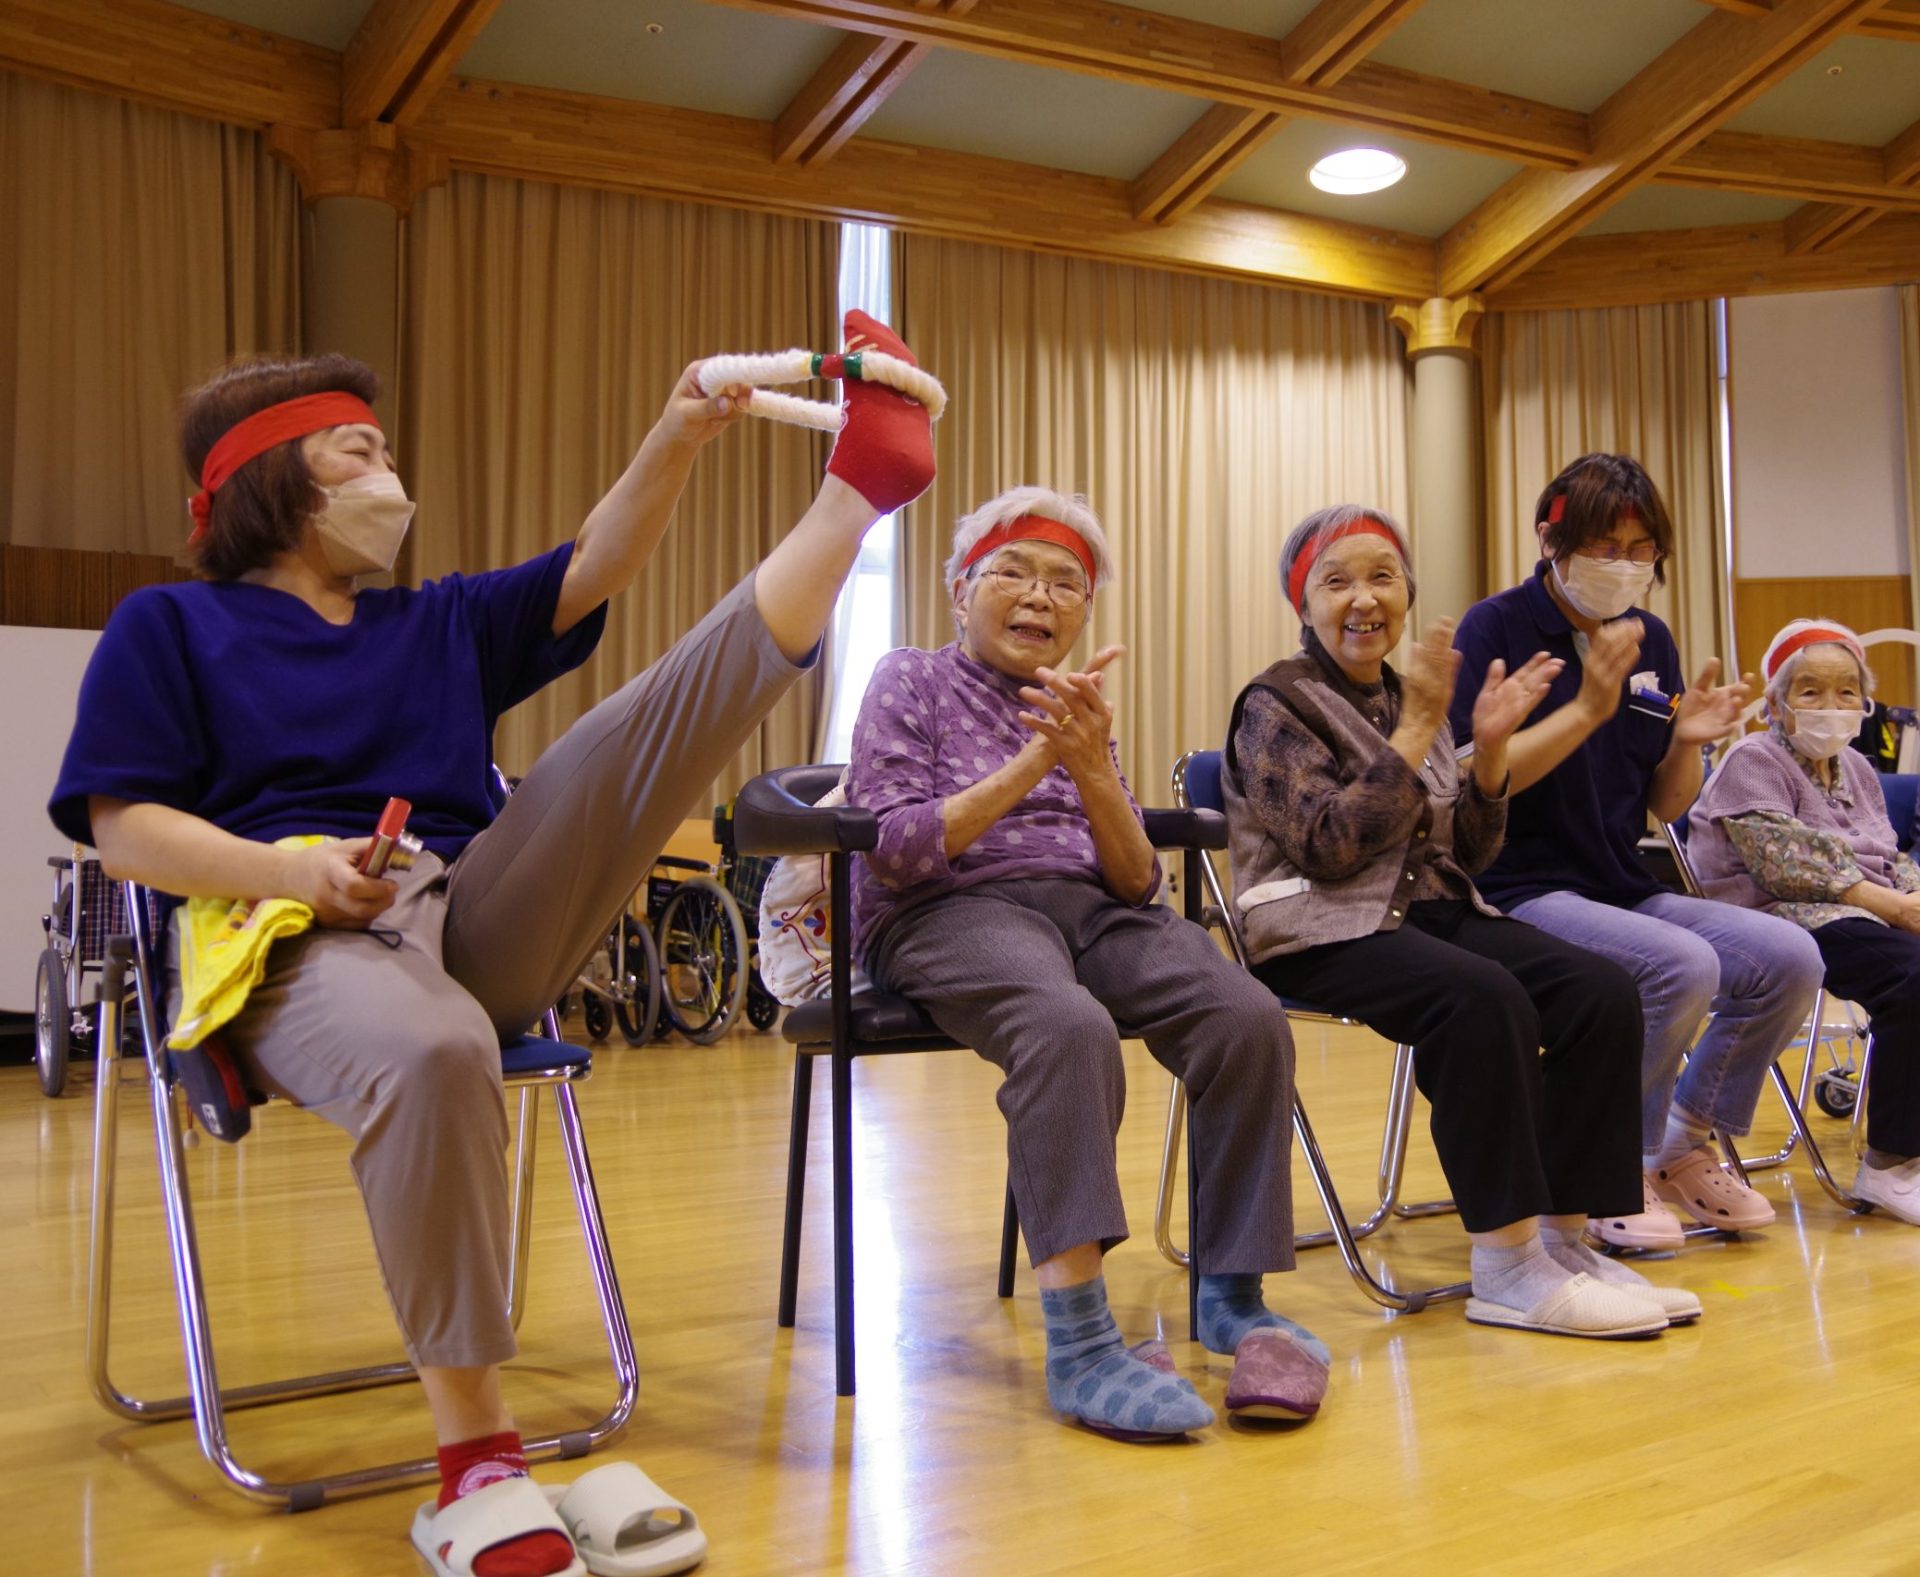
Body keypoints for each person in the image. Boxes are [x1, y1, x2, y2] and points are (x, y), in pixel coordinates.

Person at [48, 311, 935, 1577]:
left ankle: (855, 497)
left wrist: (678, 432)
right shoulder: (170, 627)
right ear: (278, 479)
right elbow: (121, 825)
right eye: (359, 451)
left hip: (468, 900)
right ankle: (478, 1462)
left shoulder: (437, 622)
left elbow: (596, 567)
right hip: (291, 931)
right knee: (435, 1043)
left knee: (625, 735)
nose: (387, 475)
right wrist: (288, 868)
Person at [846, 487, 1324, 1442]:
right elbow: (894, 850)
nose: (1040, 595)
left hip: (1091, 910)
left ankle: (1233, 1292)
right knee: (1067, 1025)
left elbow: (1139, 879)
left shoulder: (1078, 705)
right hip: (945, 908)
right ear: (958, 590)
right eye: (1012, 571)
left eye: (1066, 581)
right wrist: (1036, 761)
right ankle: (1082, 1339)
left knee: (1244, 1014)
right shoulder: (910, 678)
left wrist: (1095, 763)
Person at [1224, 503, 1699, 1340]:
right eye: (1336, 581)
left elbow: (1464, 854)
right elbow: (1332, 847)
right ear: (1304, 605)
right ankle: (1507, 1265)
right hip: (1315, 930)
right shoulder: (1275, 701)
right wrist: (1414, 734)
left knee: (1600, 990)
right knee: (1483, 999)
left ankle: (1566, 1239)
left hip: (1430, 910)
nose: (1363, 598)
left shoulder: (1421, 695)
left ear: (1407, 591)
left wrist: (1488, 759)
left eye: (1382, 576)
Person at [1451, 454, 1823, 1251]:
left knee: (1791, 957)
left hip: (1617, 881)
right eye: (1603, 545)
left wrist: (1687, 743)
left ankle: (1675, 1147)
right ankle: (1603, 1168)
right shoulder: (1499, 626)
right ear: (1553, 538)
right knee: (1681, 964)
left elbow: (1665, 804)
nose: (1622, 564)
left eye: (1640, 548)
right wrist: (1586, 709)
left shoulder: (1649, 635)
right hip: (1515, 885)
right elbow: (1479, 784)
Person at [1689, 620, 1920, 1225]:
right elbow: (1782, 862)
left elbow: (1889, 858)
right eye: (1810, 690)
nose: (1832, 706)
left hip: (1861, 909)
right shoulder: (1753, 757)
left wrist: (1910, 894)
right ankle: (1891, 1164)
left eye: (1847, 692)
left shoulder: (1859, 769)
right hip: (1777, 917)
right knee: (1913, 976)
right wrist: (1895, 906)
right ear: (1775, 703)